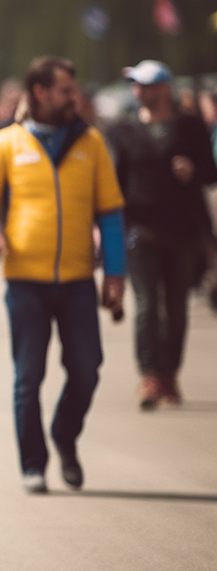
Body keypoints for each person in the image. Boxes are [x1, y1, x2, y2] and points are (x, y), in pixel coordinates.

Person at [0, 56, 126, 494]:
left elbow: (110, 213)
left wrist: (116, 274)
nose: (75, 96)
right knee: (28, 377)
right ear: (40, 92)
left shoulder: (90, 144)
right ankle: (33, 463)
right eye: (66, 90)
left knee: (87, 370)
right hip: (25, 283)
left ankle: (64, 437)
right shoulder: (5, 144)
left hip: (76, 281)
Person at [107, 60, 217, 408]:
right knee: (146, 305)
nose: (137, 91)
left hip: (182, 230)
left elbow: (211, 173)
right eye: (135, 85)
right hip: (140, 231)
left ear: (164, 89)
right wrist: (109, 231)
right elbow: (116, 183)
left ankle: (170, 374)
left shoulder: (188, 127)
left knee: (176, 306)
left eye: (144, 85)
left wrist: (193, 171)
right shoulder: (124, 129)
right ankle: (149, 374)